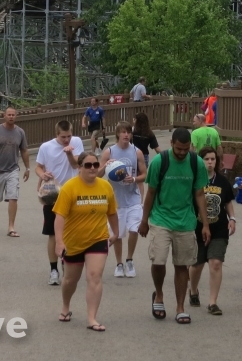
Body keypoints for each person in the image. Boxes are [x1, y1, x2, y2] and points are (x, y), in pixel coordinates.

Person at [139, 127, 210, 325]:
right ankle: (159, 295)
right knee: (158, 261)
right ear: (171, 143)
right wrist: (144, 220)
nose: (181, 153)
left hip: (185, 220)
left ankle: (180, 307)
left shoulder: (197, 163)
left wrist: (205, 224)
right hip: (161, 218)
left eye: (185, 149)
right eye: (178, 149)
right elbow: (151, 192)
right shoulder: (160, 161)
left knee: (182, 265)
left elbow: (199, 194)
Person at [53, 151, 119, 331]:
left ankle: (92, 318)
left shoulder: (105, 186)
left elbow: (112, 212)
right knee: (69, 281)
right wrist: (59, 242)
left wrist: (116, 232)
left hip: (98, 238)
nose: (92, 168)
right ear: (79, 167)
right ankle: (66, 306)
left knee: (94, 276)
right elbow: (59, 217)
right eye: (88, 165)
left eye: (95, 165)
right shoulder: (70, 187)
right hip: (73, 241)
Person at [36, 120, 84, 285]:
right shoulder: (46, 147)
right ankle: (53, 269)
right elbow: (38, 167)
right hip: (52, 193)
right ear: (57, 134)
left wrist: (69, 152)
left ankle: (67, 263)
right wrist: (42, 175)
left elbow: (76, 164)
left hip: (72, 193)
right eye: (63, 137)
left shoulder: (76, 142)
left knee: (70, 232)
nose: (67, 140)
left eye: (69, 136)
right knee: (53, 233)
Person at [188, 147, 235, 315]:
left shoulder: (222, 181)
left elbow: (228, 201)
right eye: (206, 159)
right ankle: (193, 290)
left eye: (213, 159)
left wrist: (233, 219)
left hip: (219, 228)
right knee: (197, 264)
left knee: (215, 263)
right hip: (197, 228)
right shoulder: (193, 181)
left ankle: (213, 302)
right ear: (201, 161)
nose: (210, 162)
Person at [100, 121, 147, 278]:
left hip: (133, 198)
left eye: (129, 132)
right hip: (115, 200)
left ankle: (129, 260)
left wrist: (133, 179)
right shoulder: (109, 152)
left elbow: (145, 174)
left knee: (134, 229)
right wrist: (105, 165)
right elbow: (98, 175)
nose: (126, 134)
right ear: (118, 134)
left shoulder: (137, 152)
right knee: (117, 234)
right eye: (123, 132)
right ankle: (119, 264)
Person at [0, 107, 30, 236]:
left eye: (13, 115)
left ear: (16, 116)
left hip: (13, 169)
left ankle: (11, 227)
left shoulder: (20, 132)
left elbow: (24, 150)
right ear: (4, 116)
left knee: (13, 196)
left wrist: (27, 168)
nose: (11, 117)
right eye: (8, 115)